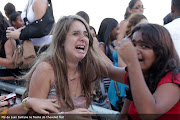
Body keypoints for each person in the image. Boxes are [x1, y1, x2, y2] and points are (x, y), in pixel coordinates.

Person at [115, 23, 180, 120]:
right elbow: (107, 69)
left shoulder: (173, 78)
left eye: (144, 46)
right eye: (133, 45)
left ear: (161, 51)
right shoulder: (143, 75)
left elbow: (149, 113)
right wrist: (91, 45)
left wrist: (132, 62)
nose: (135, 50)